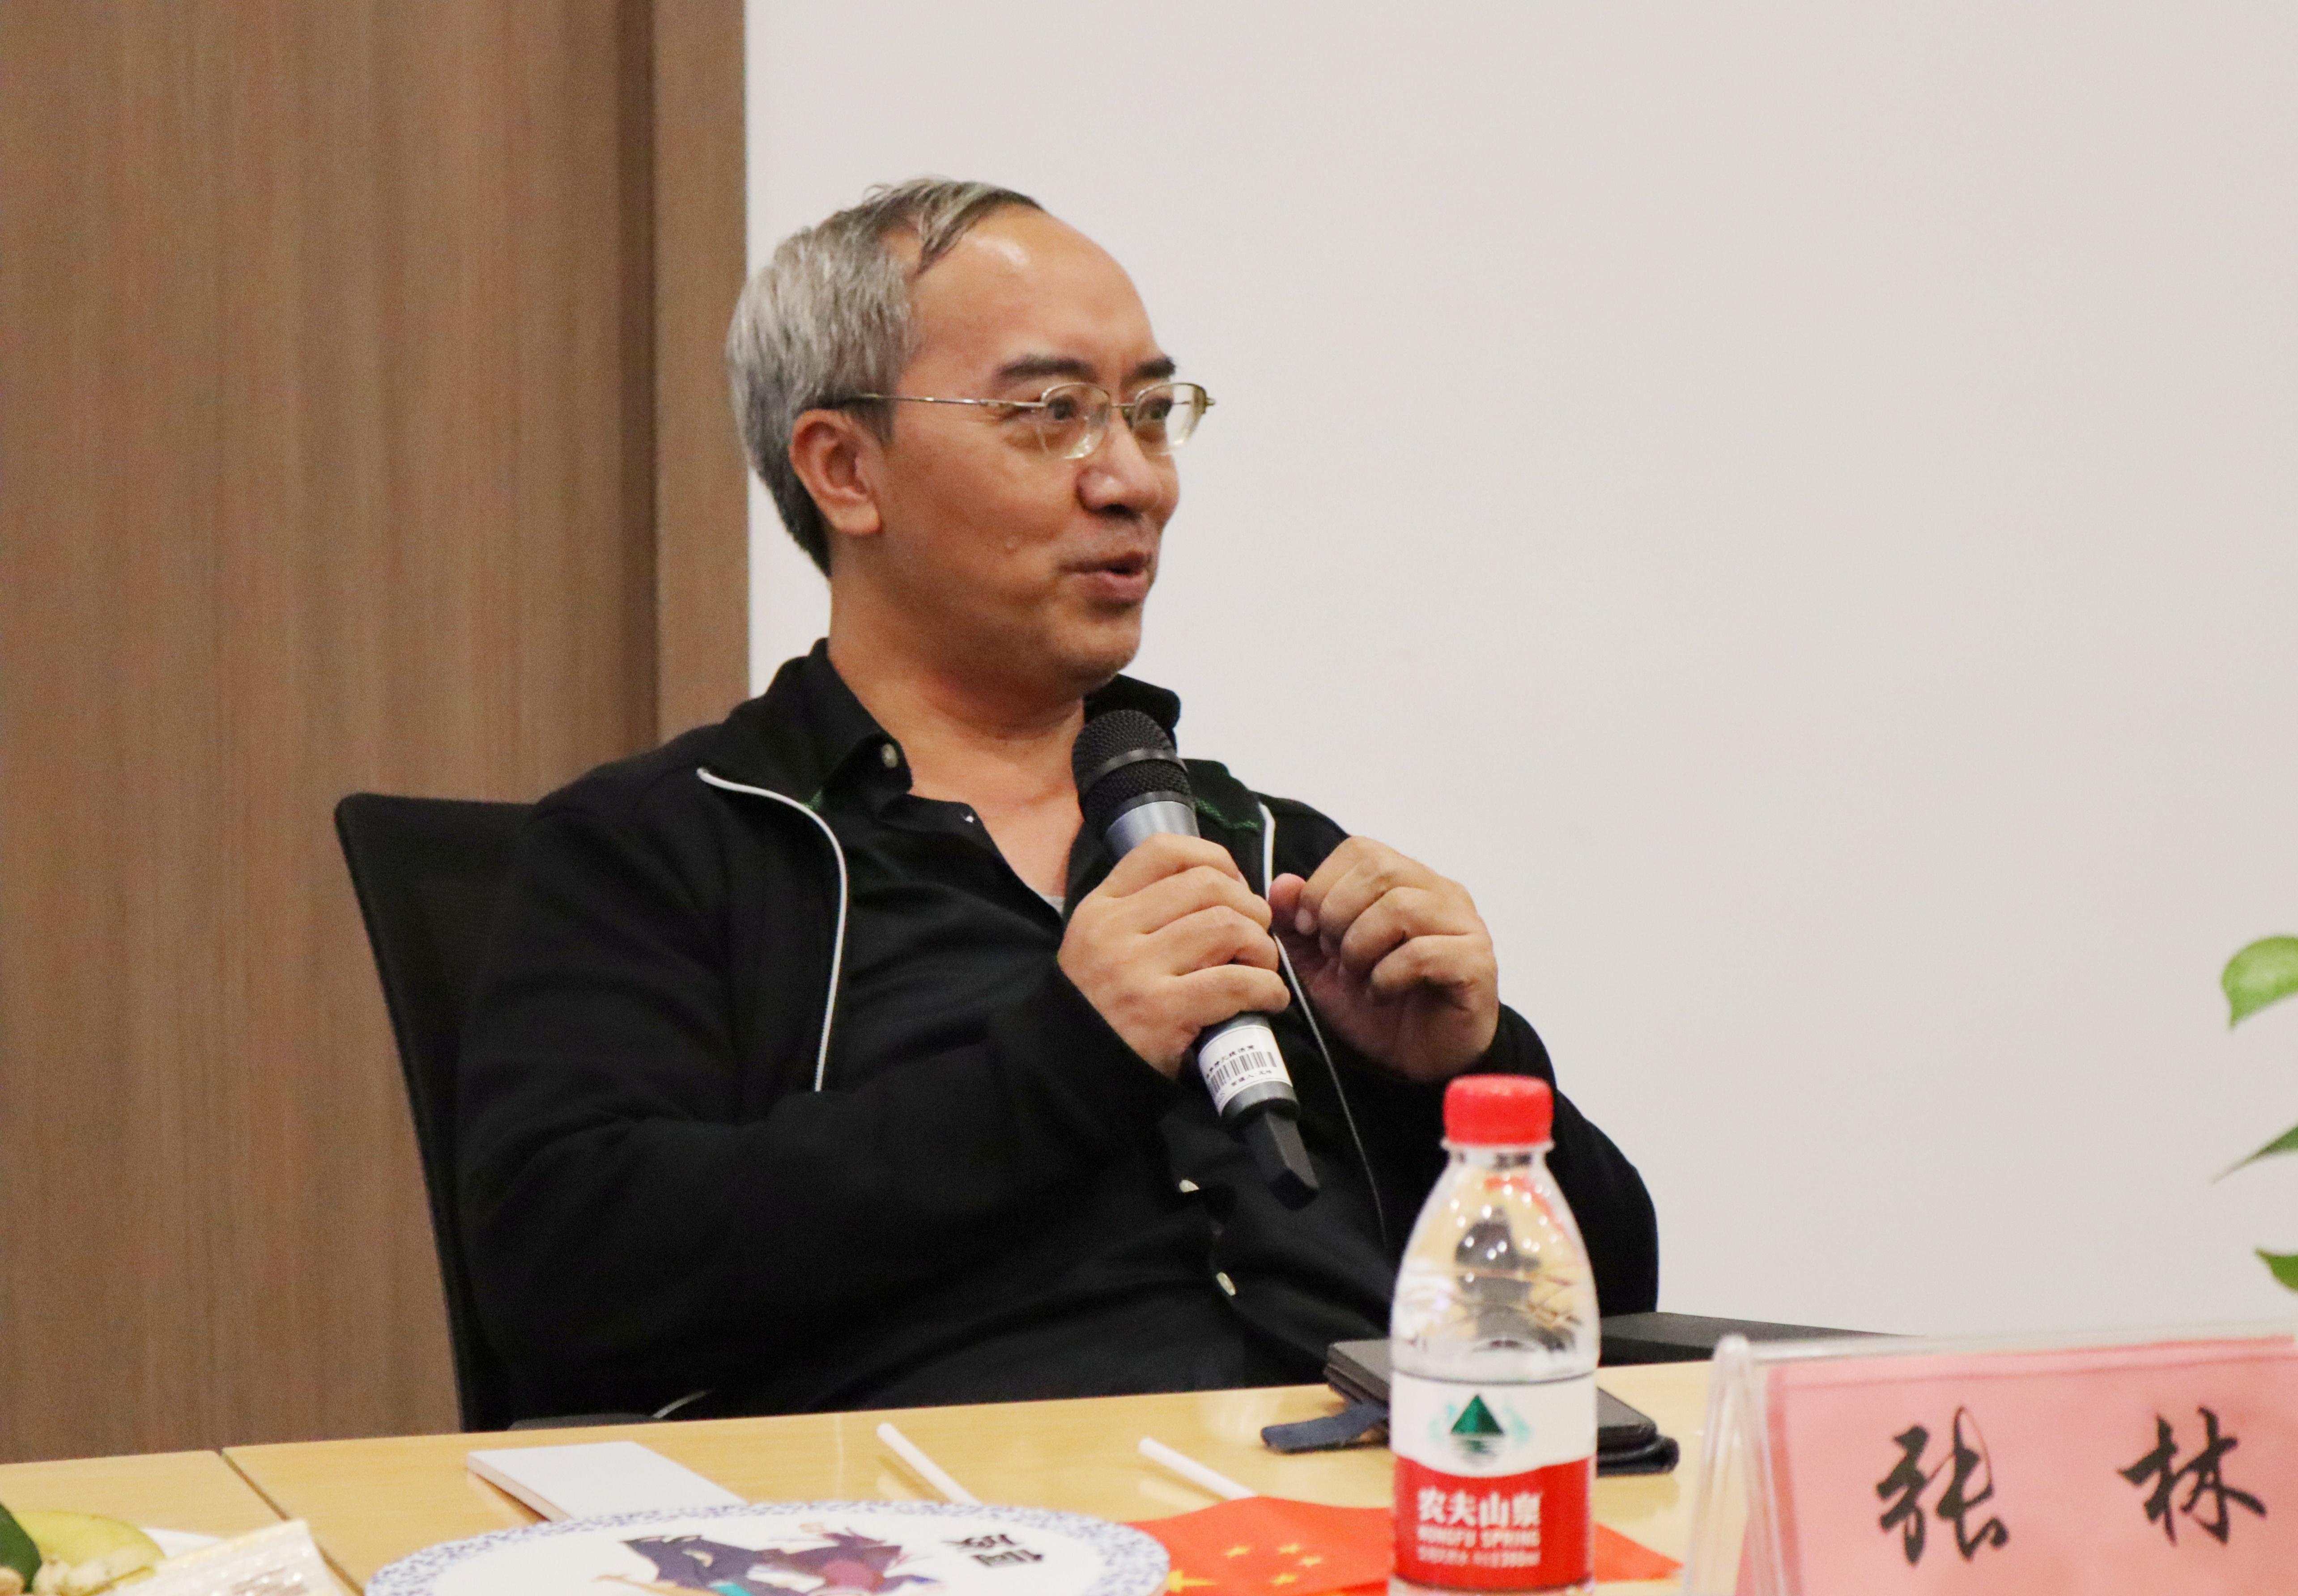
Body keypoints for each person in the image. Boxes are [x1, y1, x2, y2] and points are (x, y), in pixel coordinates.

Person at [458, 178, 1655, 1421]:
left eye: (1151, 414)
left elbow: (1611, 1309)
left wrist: (1463, 1081)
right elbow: (562, 1284)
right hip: (954, 1517)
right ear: (846, 469)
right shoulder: (676, 846)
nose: (1135, 482)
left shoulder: (1267, 856)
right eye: (1054, 415)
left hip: (1357, 1491)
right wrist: (1069, 1059)